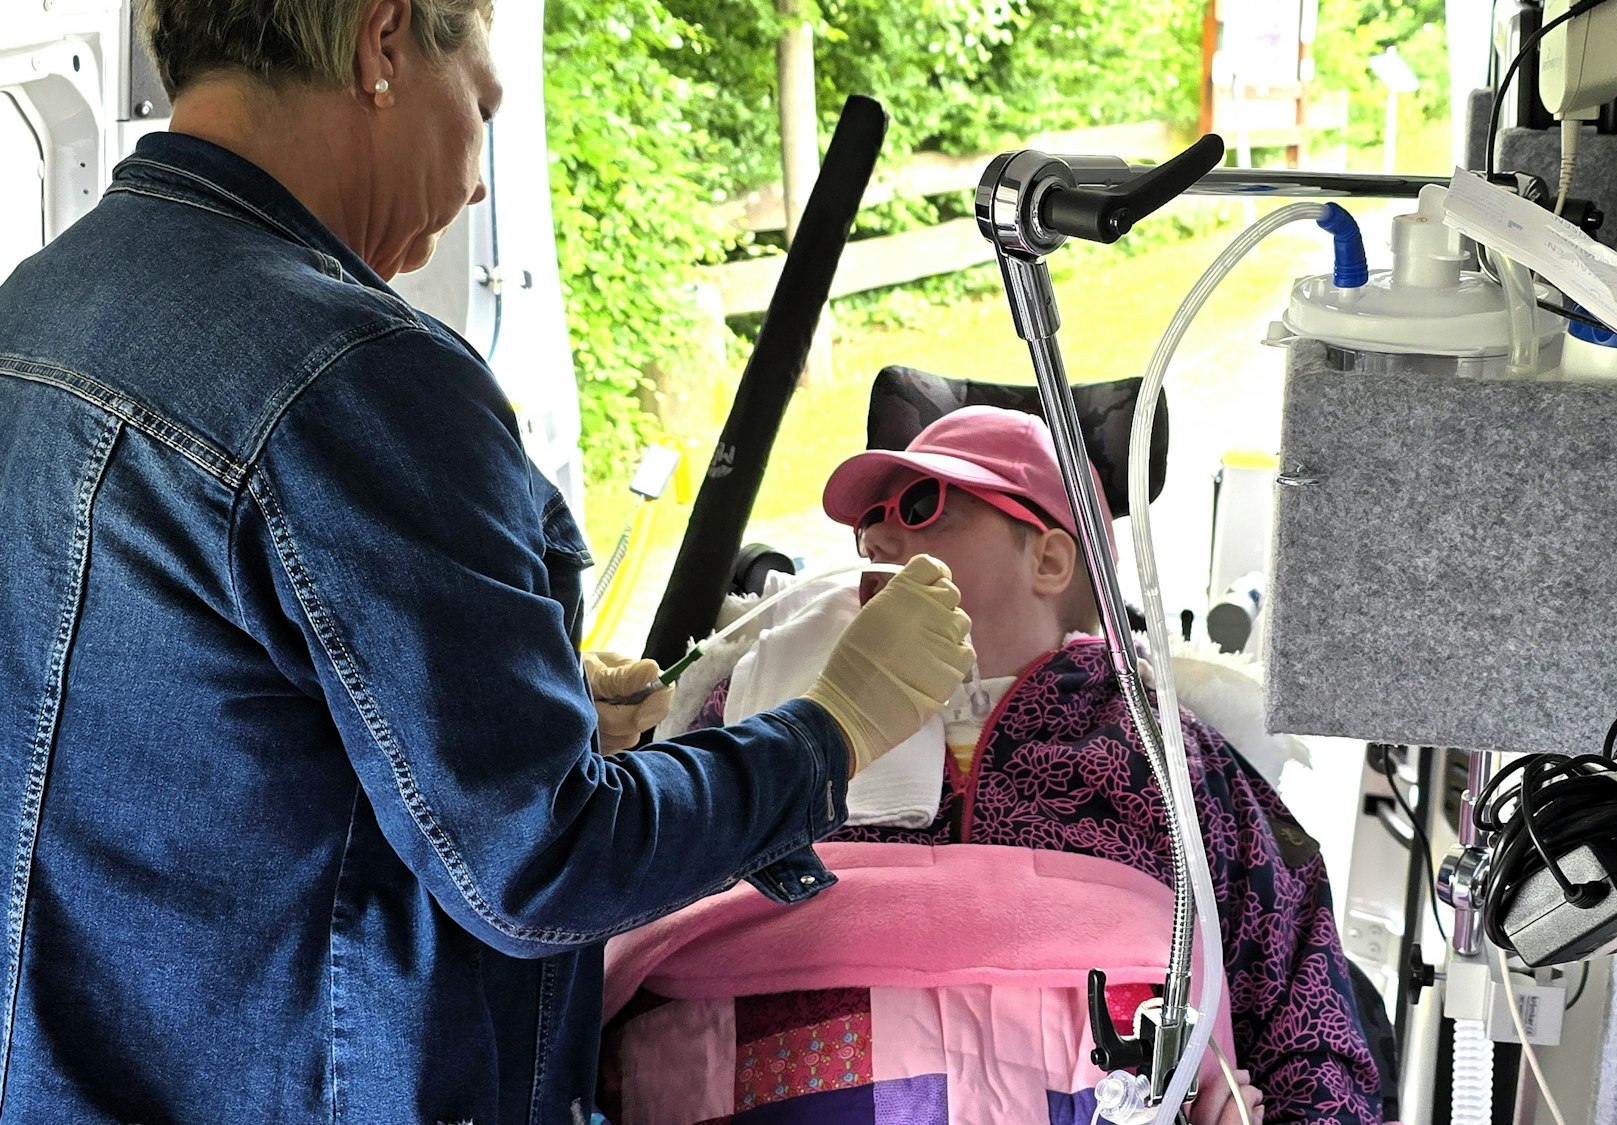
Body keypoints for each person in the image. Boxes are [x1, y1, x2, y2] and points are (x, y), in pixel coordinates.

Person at [0, 2, 973, 1121]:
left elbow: (190, 752)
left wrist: (521, 709)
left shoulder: (38, 306)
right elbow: (542, 865)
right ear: (382, 44)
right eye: (482, 105)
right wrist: (831, 728)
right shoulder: (361, 375)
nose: (475, 182)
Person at [600, 408, 1384, 1125]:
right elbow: (615, 891)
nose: (877, 540)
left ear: (1047, 558)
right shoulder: (766, 705)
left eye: (921, 508)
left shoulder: (1159, 741)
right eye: (869, 525)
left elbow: (1302, 1005)